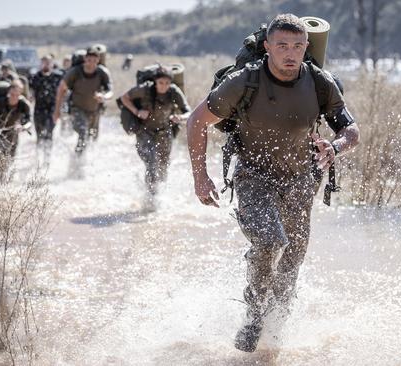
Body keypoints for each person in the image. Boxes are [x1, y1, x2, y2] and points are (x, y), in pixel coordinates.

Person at [186, 14, 360, 352]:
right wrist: (200, 176)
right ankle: (253, 313)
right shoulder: (244, 81)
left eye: (297, 46)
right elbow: (197, 120)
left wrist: (334, 147)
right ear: (267, 47)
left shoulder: (320, 82)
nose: (290, 53)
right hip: (253, 174)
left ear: (306, 47)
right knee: (269, 241)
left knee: (292, 259)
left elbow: (350, 131)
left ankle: (276, 335)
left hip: (301, 178)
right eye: (282, 45)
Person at [120, 66, 190, 210]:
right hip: (144, 132)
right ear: (155, 82)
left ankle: (158, 195)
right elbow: (124, 98)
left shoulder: (174, 91)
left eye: (166, 83)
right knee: (151, 164)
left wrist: (180, 117)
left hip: (165, 133)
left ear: (170, 82)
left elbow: (188, 111)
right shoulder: (145, 89)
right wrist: (137, 111)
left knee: (163, 168)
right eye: (160, 83)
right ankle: (150, 200)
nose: (163, 86)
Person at [53, 46, 112, 156]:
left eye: (95, 61)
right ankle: (77, 159)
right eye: (89, 60)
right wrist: (57, 111)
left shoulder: (102, 72)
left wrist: (103, 96)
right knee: (83, 133)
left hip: (94, 111)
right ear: (85, 59)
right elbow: (61, 90)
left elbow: (110, 92)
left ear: (98, 60)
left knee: (93, 137)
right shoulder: (75, 72)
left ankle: (88, 160)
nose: (91, 64)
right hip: (77, 109)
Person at [29, 54, 63, 146]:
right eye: (44, 63)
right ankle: (39, 157)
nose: (46, 65)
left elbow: (63, 92)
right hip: (38, 109)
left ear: (52, 64)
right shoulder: (35, 77)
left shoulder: (58, 77)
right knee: (39, 134)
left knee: (49, 133)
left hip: (52, 108)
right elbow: (30, 91)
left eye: (48, 63)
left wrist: (60, 109)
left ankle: (47, 158)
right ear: (40, 64)